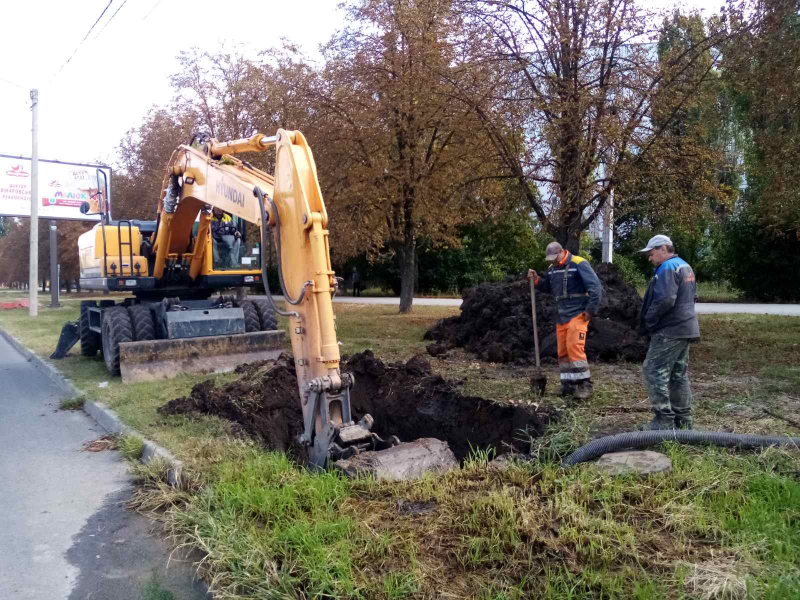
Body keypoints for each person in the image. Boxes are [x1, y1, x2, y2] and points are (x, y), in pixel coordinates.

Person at [638, 234, 700, 430]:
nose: (650, 258)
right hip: (686, 327)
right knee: (677, 374)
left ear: (663, 248)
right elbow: (692, 296)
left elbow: (665, 299)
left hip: (670, 330)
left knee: (653, 370)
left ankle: (663, 420)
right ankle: (683, 421)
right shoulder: (684, 266)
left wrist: (650, 319)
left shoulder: (666, 268)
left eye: (651, 252)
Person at [527, 242, 604, 399]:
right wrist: (536, 280)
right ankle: (568, 385)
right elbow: (548, 287)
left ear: (562, 252)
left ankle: (584, 385)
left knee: (574, 347)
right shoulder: (552, 269)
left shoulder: (579, 263)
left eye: (555, 258)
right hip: (561, 315)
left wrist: (590, 311)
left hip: (578, 313)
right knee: (563, 351)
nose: (552, 261)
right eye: (550, 259)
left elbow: (595, 288)